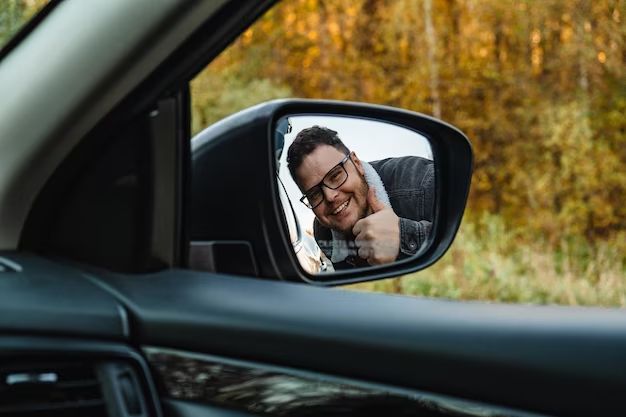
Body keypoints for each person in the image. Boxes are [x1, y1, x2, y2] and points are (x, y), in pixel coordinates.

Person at [287, 126, 434, 270]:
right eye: (314, 194)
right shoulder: (323, 232)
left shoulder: (423, 183)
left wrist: (403, 236)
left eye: (335, 176)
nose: (330, 197)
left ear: (356, 163)